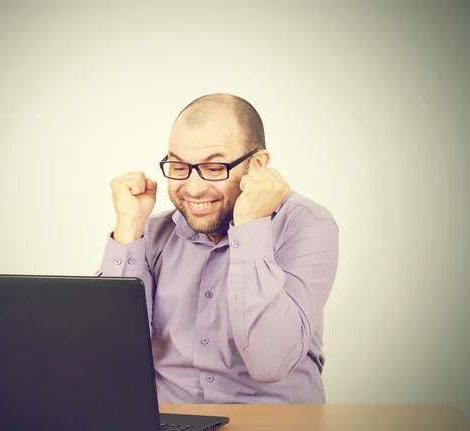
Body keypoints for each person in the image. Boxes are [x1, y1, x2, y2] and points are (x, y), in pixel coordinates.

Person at [97, 93, 339, 404]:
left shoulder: (307, 225)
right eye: (179, 166)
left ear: (258, 165)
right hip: (172, 428)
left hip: (274, 428)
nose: (194, 189)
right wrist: (129, 229)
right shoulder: (153, 233)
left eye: (214, 168)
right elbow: (111, 359)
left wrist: (251, 226)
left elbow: (271, 364)